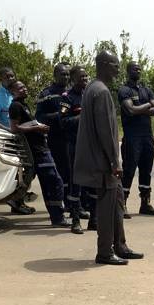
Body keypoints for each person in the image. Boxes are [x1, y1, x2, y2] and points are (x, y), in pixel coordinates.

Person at [75, 51, 143, 265]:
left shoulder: (93, 88)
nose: (118, 69)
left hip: (102, 160)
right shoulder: (101, 92)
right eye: (115, 65)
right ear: (104, 65)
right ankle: (104, 251)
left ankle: (120, 245)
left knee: (117, 203)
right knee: (106, 208)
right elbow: (106, 132)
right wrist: (115, 161)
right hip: (104, 162)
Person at [9, 81, 70, 227]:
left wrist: (38, 127)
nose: (24, 89)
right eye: (20, 88)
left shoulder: (23, 105)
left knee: (50, 183)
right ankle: (57, 217)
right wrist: (37, 128)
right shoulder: (15, 106)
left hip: (42, 147)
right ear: (12, 92)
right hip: (37, 151)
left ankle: (57, 216)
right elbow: (14, 128)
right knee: (54, 182)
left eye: (24, 86)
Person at [118, 62, 154, 217]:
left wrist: (140, 108)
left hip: (147, 137)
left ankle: (145, 203)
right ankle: (122, 204)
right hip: (132, 137)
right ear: (128, 71)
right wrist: (147, 105)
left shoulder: (146, 90)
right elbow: (130, 110)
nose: (138, 70)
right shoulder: (124, 90)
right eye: (134, 69)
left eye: (139, 69)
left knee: (146, 170)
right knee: (129, 170)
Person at [0, 66, 34, 215]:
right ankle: (16, 200)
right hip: (10, 139)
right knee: (29, 168)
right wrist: (11, 131)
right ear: (1, 79)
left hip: (21, 137)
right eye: (6, 77)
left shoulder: (15, 92)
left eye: (12, 76)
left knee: (26, 170)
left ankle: (18, 200)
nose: (10, 79)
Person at [60, 66, 94, 234]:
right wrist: (82, 117)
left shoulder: (91, 95)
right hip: (75, 145)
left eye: (86, 76)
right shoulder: (67, 98)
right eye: (81, 77)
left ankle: (94, 219)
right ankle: (75, 220)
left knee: (93, 182)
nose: (85, 79)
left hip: (91, 145)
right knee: (76, 183)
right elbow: (63, 121)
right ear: (73, 79)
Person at [37, 63, 72, 211]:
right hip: (54, 139)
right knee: (59, 171)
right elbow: (39, 117)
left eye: (68, 74)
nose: (66, 77)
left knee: (71, 171)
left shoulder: (72, 92)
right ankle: (60, 202)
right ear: (55, 75)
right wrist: (58, 116)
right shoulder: (46, 94)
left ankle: (72, 203)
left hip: (71, 138)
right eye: (63, 74)